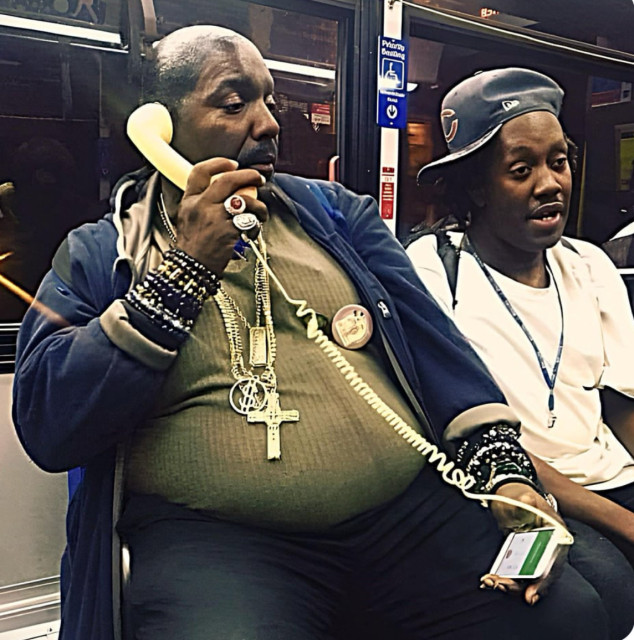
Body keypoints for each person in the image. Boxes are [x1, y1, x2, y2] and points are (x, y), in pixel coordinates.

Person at [11, 30, 627, 640]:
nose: (269, 124)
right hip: (223, 538)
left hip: (402, 519)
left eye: (270, 103)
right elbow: (48, 421)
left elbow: (439, 353)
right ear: (160, 126)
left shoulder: (336, 217)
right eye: (234, 103)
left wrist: (504, 471)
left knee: (569, 616)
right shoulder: (101, 253)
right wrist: (185, 270)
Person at [407, 68, 634, 580]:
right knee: (604, 594)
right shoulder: (436, 271)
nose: (550, 184)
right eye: (520, 169)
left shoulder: (591, 265)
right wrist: (624, 523)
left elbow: (621, 405)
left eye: (559, 162)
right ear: (477, 188)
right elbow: (473, 434)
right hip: (515, 487)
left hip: (613, 480)